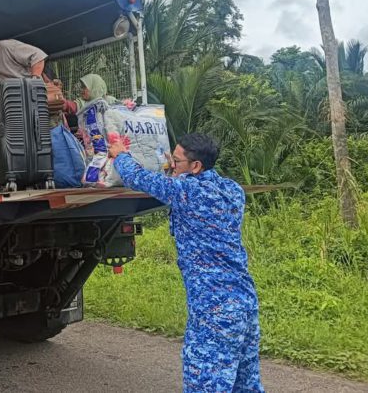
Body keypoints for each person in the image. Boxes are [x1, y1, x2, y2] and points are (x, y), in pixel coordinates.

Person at [108, 133, 263, 393]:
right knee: (245, 385)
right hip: (245, 302)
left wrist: (120, 154)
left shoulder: (187, 191)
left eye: (176, 162)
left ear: (196, 167)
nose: (171, 165)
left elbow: (138, 177)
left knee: (205, 383)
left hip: (214, 309)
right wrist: (176, 172)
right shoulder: (233, 190)